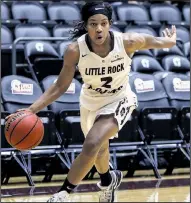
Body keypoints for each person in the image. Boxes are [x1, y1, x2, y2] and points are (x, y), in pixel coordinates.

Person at [6, 2, 176, 202]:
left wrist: (170, 40)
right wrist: (31, 110)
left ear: (110, 24)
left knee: (92, 143)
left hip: (120, 98)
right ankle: (107, 180)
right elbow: (60, 86)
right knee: (99, 148)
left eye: (103, 23)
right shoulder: (75, 50)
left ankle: (63, 193)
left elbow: (160, 42)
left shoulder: (128, 41)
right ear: (86, 25)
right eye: (93, 24)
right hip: (90, 101)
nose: (99, 29)